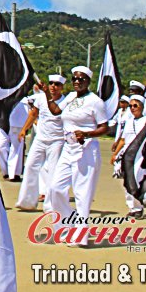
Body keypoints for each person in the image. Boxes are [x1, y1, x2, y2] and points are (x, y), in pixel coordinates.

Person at [46, 65, 109, 247]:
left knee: (82, 194)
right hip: (68, 147)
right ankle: (68, 224)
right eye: (74, 79)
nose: (77, 82)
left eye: (81, 79)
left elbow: (105, 127)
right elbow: (56, 111)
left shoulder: (95, 101)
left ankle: (80, 235)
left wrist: (87, 134)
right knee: (55, 188)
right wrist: (46, 94)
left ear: (88, 82)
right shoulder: (71, 97)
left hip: (86, 149)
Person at [16, 74, 71, 211]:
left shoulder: (64, 102)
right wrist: (24, 129)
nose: (53, 86)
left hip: (57, 141)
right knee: (29, 166)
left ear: (62, 88)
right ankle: (27, 201)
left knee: (53, 171)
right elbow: (33, 114)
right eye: (51, 83)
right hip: (40, 139)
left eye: (57, 84)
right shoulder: (40, 98)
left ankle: (51, 205)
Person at [110, 95, 146, 218]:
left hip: (140, 156)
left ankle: (139, 206)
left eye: (135, 105)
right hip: (127, 156)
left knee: (136, 180)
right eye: (130, 106)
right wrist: (115, 154)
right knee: (127, 182)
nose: (132, 108)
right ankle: (133, 207)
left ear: (141, 106)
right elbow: (123, 140)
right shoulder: (129, 122)